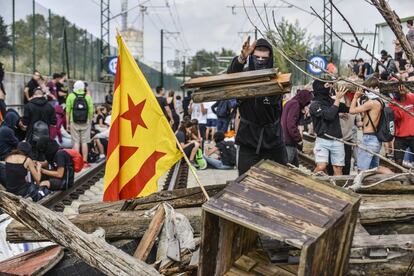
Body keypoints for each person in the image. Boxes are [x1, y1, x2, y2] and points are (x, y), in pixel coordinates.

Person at [228, 37, 287, 175]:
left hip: (273, 139)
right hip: (248, 139)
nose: (260, 60)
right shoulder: (243, 77)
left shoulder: (277, 78)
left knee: (280, 180)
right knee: (245, 181)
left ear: (270, 58)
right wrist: (242, 57)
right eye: (257, 57)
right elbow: (230, 77)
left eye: (263, 58)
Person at [309, 80, 349, 176]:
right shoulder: (315, 104)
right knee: (321, 167)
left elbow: (348, 108)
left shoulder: (331, 101)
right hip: (322, 140)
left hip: (337, 139)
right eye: (326, 85)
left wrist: (347, 95)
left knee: (338, 169)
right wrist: (338, 99)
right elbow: (329, 115)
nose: (328, 87)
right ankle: (310, 181)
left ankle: (337, 190)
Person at [349, 84, 391, 173]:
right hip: (376, 139)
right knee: (373, 170)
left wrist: (355, 97)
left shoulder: (372, 103)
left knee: (361, 171)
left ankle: (393, 176)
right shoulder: (380, 102)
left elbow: (351, 110)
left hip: (369, 139)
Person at [281, 90, 314, 167]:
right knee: (286, 166)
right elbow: (291, 124)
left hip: (284, 138)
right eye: (307, 101)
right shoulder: (295, 105)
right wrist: (298, 138)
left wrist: (302, 112)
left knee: (295, 166)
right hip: (289, 140)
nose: (308, 104)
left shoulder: (290, 102)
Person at [66, 80, 94, 168]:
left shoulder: (71, 96)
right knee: (84, 142)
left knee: (76, 142)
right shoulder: (87, 97)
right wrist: (90, 121)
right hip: (85, 122)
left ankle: (77, 163)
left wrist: (67, 124)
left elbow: (67, 111)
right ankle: (85, 162)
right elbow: (91, 111)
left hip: (74, 121)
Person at [389, 84, 414, 166]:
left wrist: (407, 93)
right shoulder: (392, 103)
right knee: (398, 162)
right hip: (400, 136)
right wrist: (402, 103)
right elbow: (396, 117)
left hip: (413, 134)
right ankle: (399, 178)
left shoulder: (412, 97)